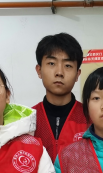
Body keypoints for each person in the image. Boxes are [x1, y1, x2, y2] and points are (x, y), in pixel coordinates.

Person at [32, 33, 90, 163]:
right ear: (39, 70)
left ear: (77, 74)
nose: (59, 72)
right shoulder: (27, 121)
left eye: (68, 65)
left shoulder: (90, 119)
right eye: (51, 63)